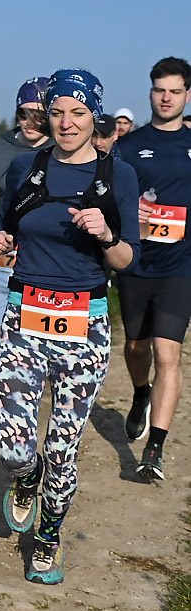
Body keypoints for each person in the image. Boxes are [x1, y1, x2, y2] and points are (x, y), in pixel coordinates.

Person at [0, 69, 140, 584]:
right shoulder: (26, 167)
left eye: (78, 113)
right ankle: (25, 479)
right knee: (15, 450)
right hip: (24, 317)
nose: (66, 123)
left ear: (95, 116)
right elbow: (6, 232)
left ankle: (48, 538)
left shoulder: (118, 176)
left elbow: (127, 259)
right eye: (57, 112)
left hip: (85, 327)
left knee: (61, 448)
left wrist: (106, 234)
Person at [118, 56, 191, 480]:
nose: (166, 98)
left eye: (174, 91)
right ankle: (140, 392)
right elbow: (110, 200)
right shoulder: (129, 146)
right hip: (136, 263)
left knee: (168, 353)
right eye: (160, 90)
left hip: (181, 266)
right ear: (151, 92)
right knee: (136, 347)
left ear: (187, 96)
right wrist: (130, 213)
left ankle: (154, 450)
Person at [0, 77, 51, 370]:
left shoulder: (62, 152)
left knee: (33, 354)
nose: (30, 123)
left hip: (42, 270)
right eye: (23, 114)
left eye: (38, 115)